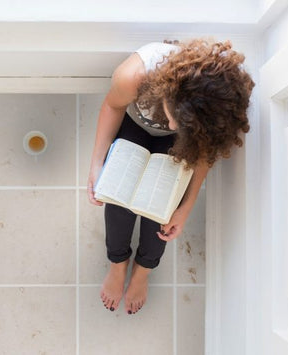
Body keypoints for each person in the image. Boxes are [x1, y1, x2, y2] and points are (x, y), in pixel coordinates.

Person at [87, 38, 255, 315]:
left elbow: (203, 150)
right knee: (118, 199)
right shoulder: (135, 75)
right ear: (169, 90)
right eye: (176, 116)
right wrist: (96, 164)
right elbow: (113, 106)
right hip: (134, 127)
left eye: (181, 122)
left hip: (179, 143)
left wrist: (186, 207)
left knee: (163, 211)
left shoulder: (208, 114)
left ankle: (143, 271)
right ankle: (118, 264)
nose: (172, 124)